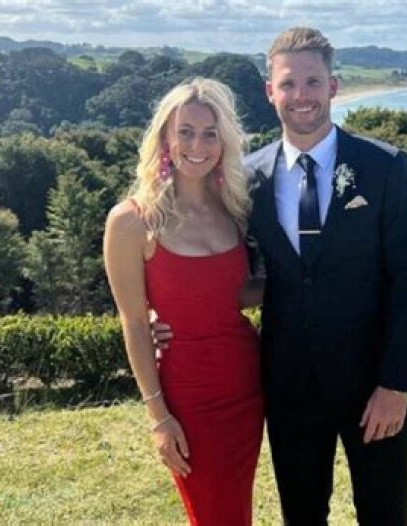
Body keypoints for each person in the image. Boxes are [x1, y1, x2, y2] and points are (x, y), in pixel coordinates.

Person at [156, 27, 407, 525]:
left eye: (312, 82)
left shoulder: (383, 167)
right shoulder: (246, 177)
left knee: (385, 515)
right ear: (269, 91)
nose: (301, 95)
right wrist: (168, 313)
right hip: (288, 385)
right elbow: (217, 261)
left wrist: (395, 384)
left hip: (372, 385)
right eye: (288, 83)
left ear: (333, 86)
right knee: (301, 516)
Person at [103, 77, 264, 526]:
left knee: (236, 509)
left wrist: (306, 285)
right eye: (186, 132)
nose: (198, 145)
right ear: (165, 139)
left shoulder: (232, 207)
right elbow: (135, 323)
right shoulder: (132, 221)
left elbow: (235, 295)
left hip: (246, 384)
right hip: (189, 397)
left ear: (224, 142)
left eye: (210, 133)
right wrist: (158, 417)